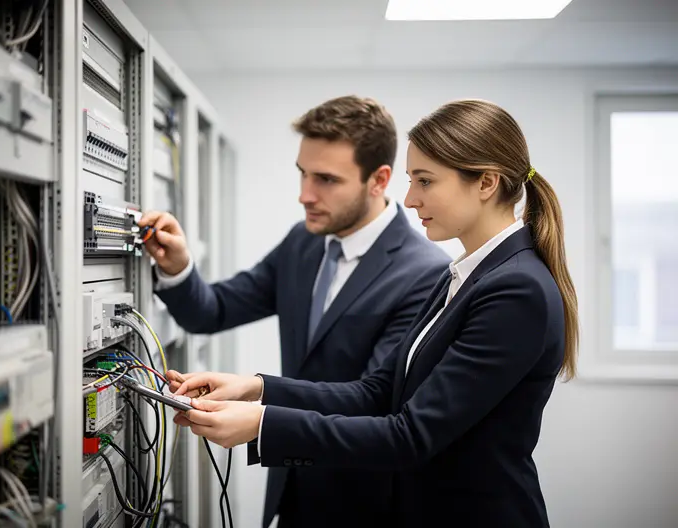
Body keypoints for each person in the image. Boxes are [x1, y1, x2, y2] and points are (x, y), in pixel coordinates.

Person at [168, 99, 580, 527]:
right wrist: (255, 389)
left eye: (425, 181)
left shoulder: (517, 290)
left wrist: (262, 424)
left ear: (486, 183)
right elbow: (377, 392)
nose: (411, 199)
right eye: (411, 180)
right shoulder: (465, 274)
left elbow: (412, 435)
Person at [138, 95, 450, 528]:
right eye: (303, 173)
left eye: (326, 179)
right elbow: (212, 311)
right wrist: (177, 267)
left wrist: (258, 411)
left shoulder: (424, 272)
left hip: (364, 500)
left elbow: (377, 403)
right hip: (293, 485)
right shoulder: (302, 244)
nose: (305, 195)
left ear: (378, 180)